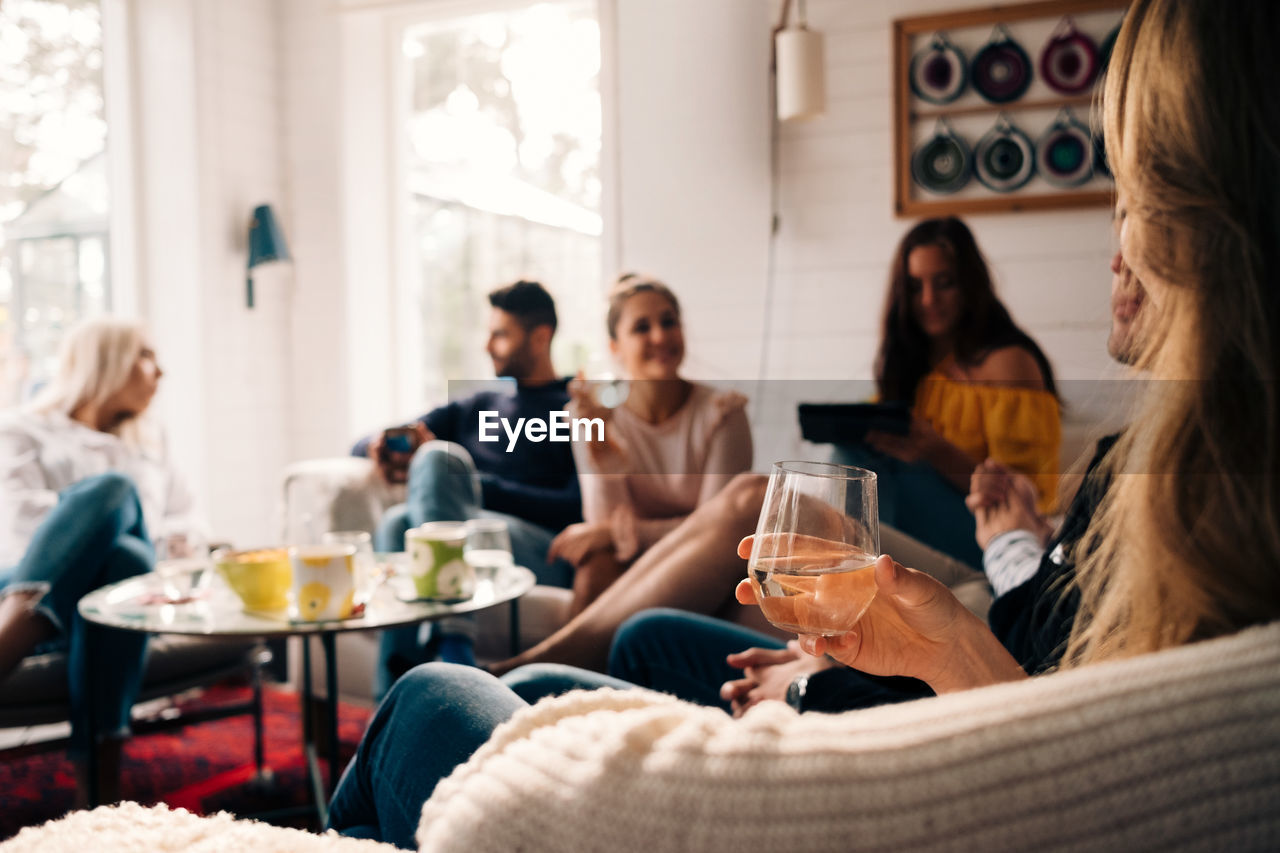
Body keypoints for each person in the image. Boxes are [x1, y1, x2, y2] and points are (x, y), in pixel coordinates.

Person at [325, 2, 1280, 845]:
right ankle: (504, 652)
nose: (1110, 247)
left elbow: (1043, 738)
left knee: (433, 700)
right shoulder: (569, 410)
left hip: (960, 573)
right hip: (948, 614)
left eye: (1132, 194)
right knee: (450, 511)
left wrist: (831, 676)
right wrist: (931, 631)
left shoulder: (1086, 434)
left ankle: (482, 662)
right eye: (919, 285)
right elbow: (1052, 721)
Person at [0, 317, 202, 803]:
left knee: (125, 554)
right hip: (30, 587)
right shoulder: (22, 429)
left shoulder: (152, 442)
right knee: (118, 513)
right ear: (105, 362)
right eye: (146, 356)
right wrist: (103, 514)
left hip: (129, 599)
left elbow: (191, 524)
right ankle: (100, 785)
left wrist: (115, 526)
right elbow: (20, 526)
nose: (161, 372)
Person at [352, 280, 581, 688]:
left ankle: (453, 641)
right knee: (396, 522)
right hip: (469, 532)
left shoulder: (574, 407)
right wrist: (382, 448)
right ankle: (397, 694)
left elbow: (574, 506)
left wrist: (473, 485)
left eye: (501, 334)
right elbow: (368, 443)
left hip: (540, 546)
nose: (487, 345)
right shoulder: (476, 404)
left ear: (540, 337)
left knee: (441, 460)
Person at [834, 217, 1061, 567]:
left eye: (945, 283)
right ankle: (842, 563)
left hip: (987, 525)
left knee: (863, 474)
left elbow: (1026, 496)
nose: (928, 300)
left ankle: (846, 563)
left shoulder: (1008, 363)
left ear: (970, 285)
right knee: (849, 449)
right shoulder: (912, 363)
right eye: (914, 287)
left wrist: (937, 451)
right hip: (917, 513)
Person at [552, 274, 752, 614]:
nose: (660, 335)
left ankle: (551, 660)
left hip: (699, 563)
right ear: (615, 347)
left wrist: (617, 534)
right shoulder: (590, 416)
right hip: (630, 561)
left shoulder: (723, 413)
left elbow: (715, 535)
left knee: (603, 551)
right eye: (641, 327)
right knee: (595, 563)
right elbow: (604, 520)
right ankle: (556, 665)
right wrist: (600, 449)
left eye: (668, 322)